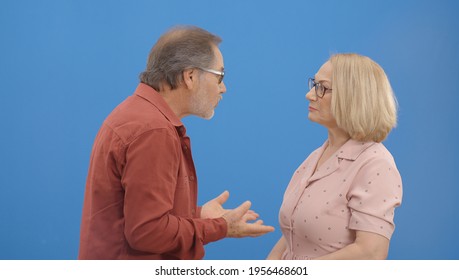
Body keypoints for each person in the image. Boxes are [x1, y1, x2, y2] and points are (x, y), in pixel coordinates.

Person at [79, 26, 274, 260]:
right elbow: (147, 232)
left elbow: (140, 218)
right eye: (220, 76)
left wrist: (198, 214)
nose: (224, 87)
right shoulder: (153, 130)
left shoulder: (137, 115)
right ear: (190, 77)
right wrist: (222, 227)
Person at [267, 53, 403, 260]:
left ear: (353, 97)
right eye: (314, 84)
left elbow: (371, 253)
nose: (310, 95)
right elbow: (294, 232)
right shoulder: (317, 156)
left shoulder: (376, 165)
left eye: (322, 87)